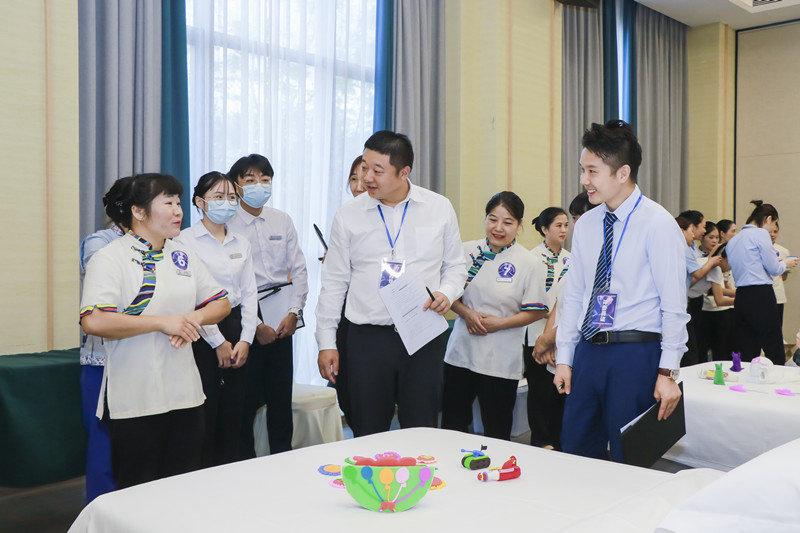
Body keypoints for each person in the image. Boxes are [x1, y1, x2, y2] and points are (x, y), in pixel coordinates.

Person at [80, 173, 231, 489]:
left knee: (183, 487)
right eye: (168, 203)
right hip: (135, 398)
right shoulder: (110, 257)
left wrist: (191, 319)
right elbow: (94, 321)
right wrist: (163, 322)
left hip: (185, 395)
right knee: (138, 491)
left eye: (179, 203)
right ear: (138, 211)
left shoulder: (183, 254)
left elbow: (221, 303)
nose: (178, 211)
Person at [316, 130, 466, 437]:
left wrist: (446, 293)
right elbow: (333, 283)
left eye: (377, 170)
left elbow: (456, 266)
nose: (367, 178)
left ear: (404, 172)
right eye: (364, 168)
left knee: (422, 429)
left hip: (423, 333)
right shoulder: (348, 215)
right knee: (368, 430)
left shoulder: (439, 208)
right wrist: (327, 342)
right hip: (367, 340)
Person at [554, 120, 688, 462]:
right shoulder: (587, 225)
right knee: (575, 451)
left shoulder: (658, 224)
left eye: (592, 171)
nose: (584, 180)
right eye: (582, 170)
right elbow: (575, 295)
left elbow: (674, 305)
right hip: (588, 352)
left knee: (629, 459)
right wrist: (565, 358)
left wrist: (667, 372)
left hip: (634, 355)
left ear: (622, 172)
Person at [441, 192, 548, 440]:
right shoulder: (466, 251)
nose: (498, 228)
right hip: (461, 354)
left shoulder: (528, 263)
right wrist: (466, 313)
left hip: (500, 359)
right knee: (452, 425)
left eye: (508, 222)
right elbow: (447, 294)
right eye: (492, 219)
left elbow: (538, 310)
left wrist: (500, 323)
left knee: (496, 430)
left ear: (519, 225)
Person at [227, 154, 309, 457]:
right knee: (244, 402)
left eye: (265, 180)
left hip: (282, 314)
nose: (258, 185)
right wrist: (255, 325)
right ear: (236, 184)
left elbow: (299, 269)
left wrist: (294, 312)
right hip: (244, 318)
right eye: (250, 180)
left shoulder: (281, 219)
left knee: (280, 399)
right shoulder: (226, 223)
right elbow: (226, 282)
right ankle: (244, 464)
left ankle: (283, 459)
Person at [175, 172, 258, 467]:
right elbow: (192, 297)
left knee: (235, 412)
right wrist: (218, 342)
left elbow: (250, 293)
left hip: (237, 326)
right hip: (201, 329)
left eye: (232, 197)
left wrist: (246, 339)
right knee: (205, 411)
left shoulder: (241, 242)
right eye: (218, 197)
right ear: (200, 202)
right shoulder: (184, 241)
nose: (227, 203)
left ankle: (229, 473)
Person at [78, 177, 132, 503]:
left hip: (144, 357)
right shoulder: (100, 243)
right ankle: (102, 512)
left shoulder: (166, 245)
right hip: (103, 360)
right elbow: (119, 292)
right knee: (104, 441)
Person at [726, 201, 799, 364]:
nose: (771, 231)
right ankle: (779, 378)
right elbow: (774, 268)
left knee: (747, 346)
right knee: (773, 344)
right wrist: (785, 264)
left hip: (741, 296)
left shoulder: (734, 240)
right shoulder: (760, 234)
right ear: (768, 219)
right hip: (761, 295)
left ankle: (747, 378)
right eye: (773, 225)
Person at [524, 206, 570, 449]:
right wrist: (545, 339)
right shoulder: (531, 259)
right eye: (558, 225)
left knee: (560, 391)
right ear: (544, 229)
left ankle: (560, 441)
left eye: (566, 225)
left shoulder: (571, 259)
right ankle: (541, 441)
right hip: (536, 335)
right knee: (540, 392)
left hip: (563, 335)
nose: (564, 230)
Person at [334, 155, 368, 429]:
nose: (358, 186)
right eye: (353, 179)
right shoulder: (345, 217)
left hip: (381, 318)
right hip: (347, 314)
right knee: (348, 388)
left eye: (363, 179)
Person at [676, 216, 722, 366]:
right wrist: (711, 262)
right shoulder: (683, 247)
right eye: (701, 227)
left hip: (684, 301)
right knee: (689, 352)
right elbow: (697, 274)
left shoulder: (688, 247)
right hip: (680, 303)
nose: (703, 231)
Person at [697, 222, 736, 361]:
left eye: (716, 238)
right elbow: (719, 298)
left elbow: (723, 288)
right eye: (711, 237)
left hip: (720, 310)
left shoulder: (716, 264)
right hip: (701, 308)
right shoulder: (709, 263)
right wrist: (743, 299)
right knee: (701, 351)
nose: (714, 241)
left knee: (721, 351)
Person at [770, 221, 790, 336]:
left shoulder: (783, 251)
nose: (772, 234)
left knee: (776, 329)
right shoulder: (758, 249)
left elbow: (784, 276)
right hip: (762, 295)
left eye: (775, 232)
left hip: (778, 295)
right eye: (770, 232)